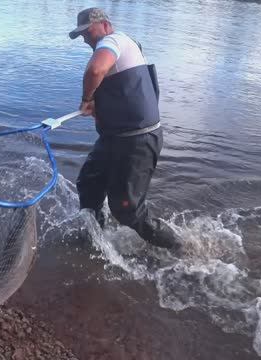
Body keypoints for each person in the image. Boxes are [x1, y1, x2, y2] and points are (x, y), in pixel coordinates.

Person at [69, 7, 179, 250]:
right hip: (115, 137)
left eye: (88, 31)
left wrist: (87, 98)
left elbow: (95, 70)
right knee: (89, 183)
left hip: (138, 139)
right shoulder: (121, 46)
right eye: (81, 35)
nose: (85, 38)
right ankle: (94, 241)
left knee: (127, 210)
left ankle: (180, 248)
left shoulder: (113, 40)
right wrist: (98, 104)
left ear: (105, 25)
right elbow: (120, 87)